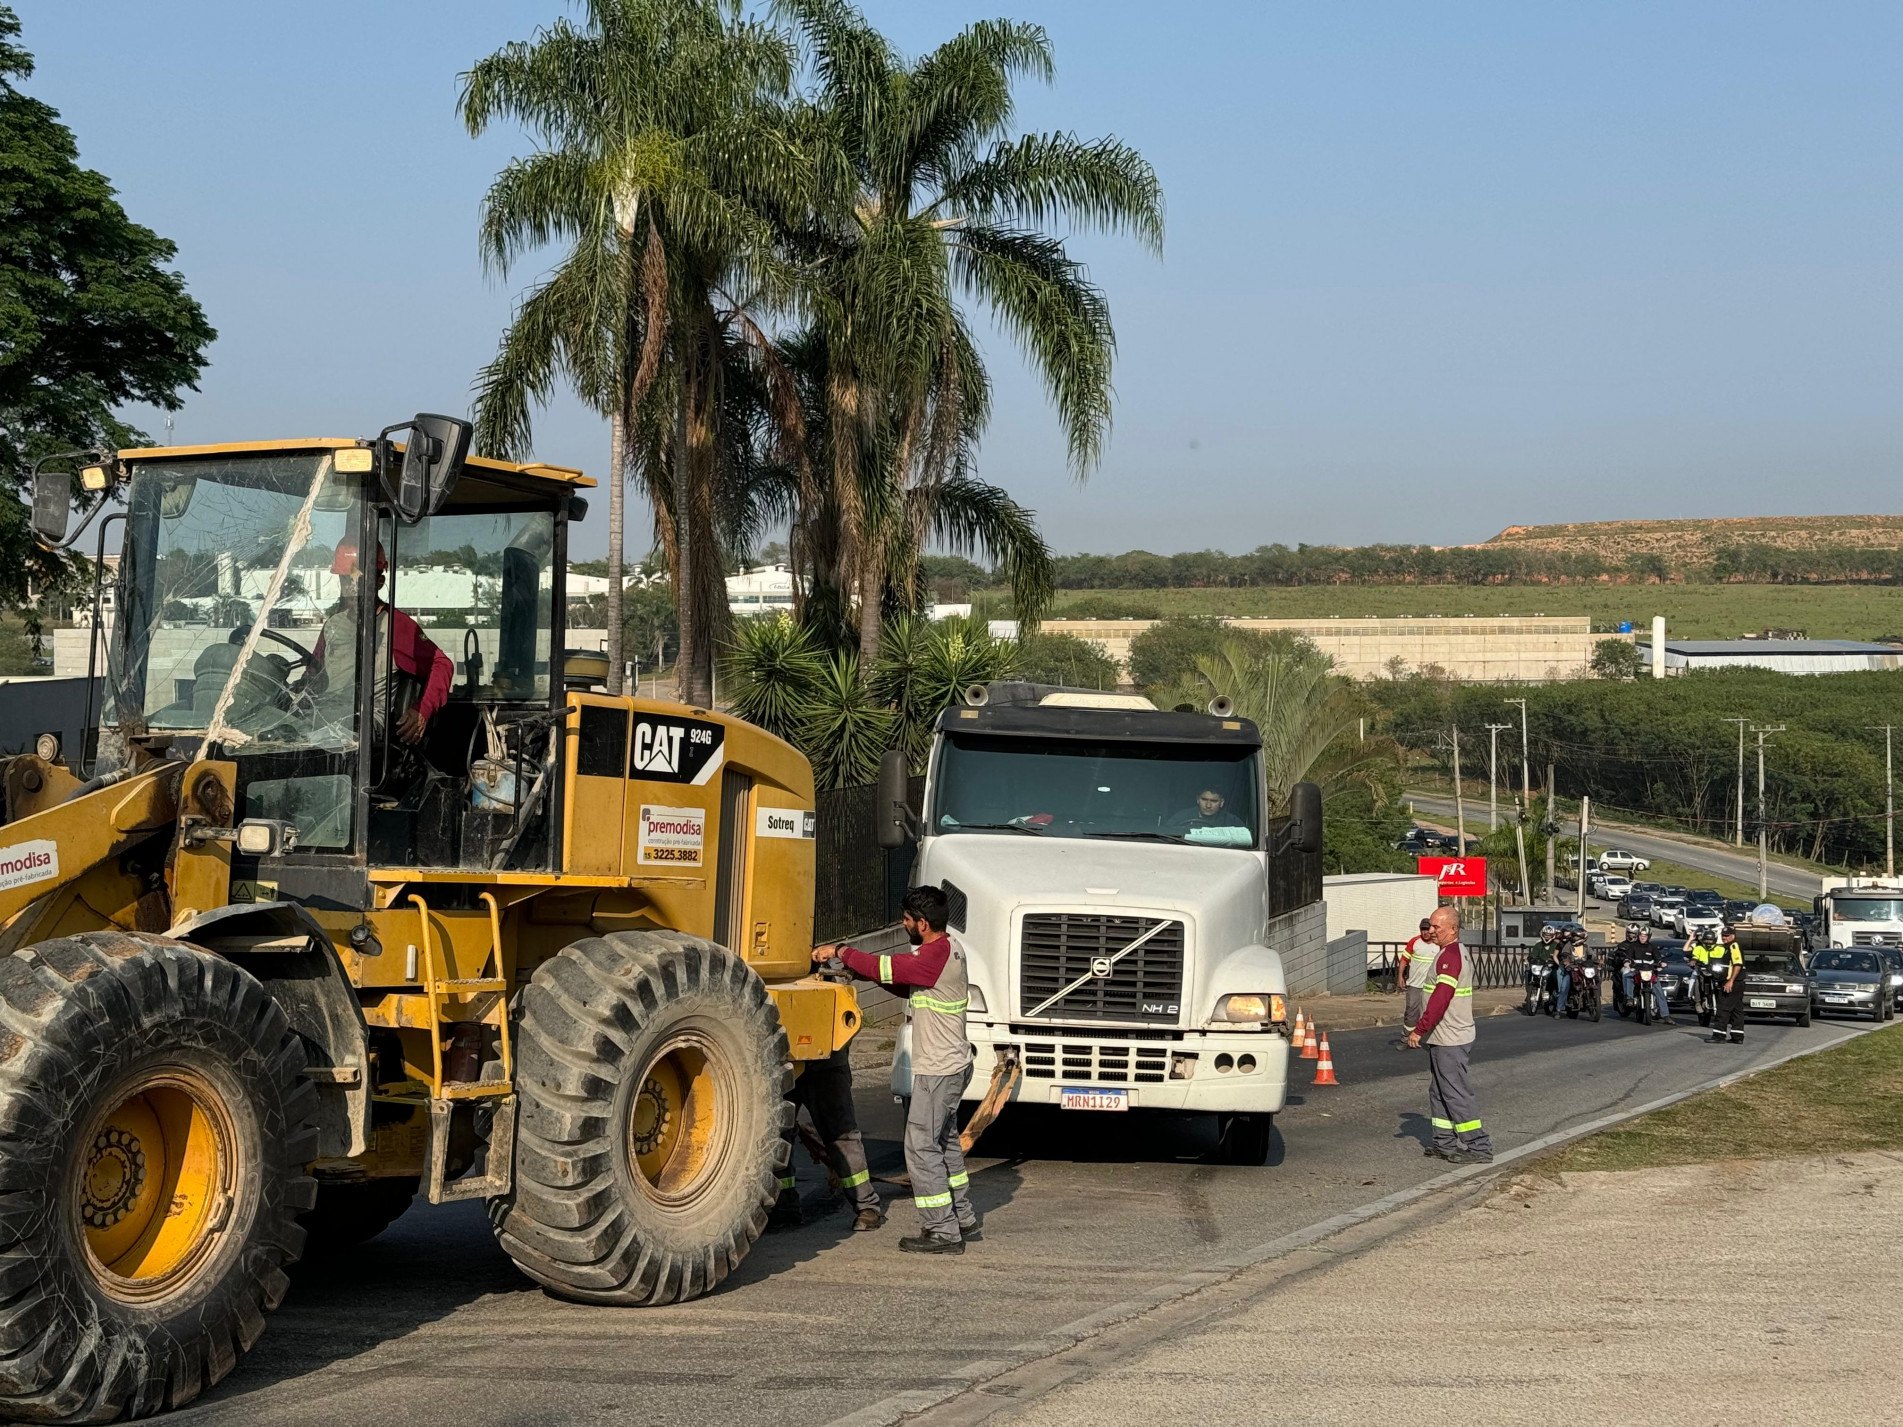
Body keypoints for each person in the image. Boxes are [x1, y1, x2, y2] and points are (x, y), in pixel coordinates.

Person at [816, 885, 979, 1254]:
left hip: (938, 1069)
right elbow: (910, 987)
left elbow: (885, 966)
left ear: (922, 923)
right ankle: (963, 1218)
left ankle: (942, 1230)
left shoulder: (932, 955)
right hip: (952, 1065)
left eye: (906, 920)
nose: (903, 925)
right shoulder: (948, 949)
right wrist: (866, 976)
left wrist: (842, 953)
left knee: (921, 1146)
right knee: (945, 1143)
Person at [309, 536, 453, 745]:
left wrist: (422, 709)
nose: (350, 587)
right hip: (326, 710)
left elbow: (442, 664)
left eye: (357, 579)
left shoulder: (396, 625)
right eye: (344, 579)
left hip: (366, 721)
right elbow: (313, 670)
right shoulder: (333, 624)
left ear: (379, 581)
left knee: (322, 735)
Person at [767, 1042, 885, 1235]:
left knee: (842, 1136)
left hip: (825, 1063)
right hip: (782, 1060)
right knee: (777, 1139)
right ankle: (784, 1207)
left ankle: (867, 1206)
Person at [1406, 906, 1493, 1164]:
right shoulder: (1450, 952)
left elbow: (1441, 998)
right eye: (1430, 926)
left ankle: (1478, 1147)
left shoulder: (1450, 956)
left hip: (1450, 1038)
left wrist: (1419, 1029)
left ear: (1453, 929)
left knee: (1455, 1092)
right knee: (1439, 1091)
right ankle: (1444, 1142)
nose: (1431, 931)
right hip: (1444, 1037)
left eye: (1437, 927)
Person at [1706, 926, 1746, 1045]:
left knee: (1723, 1008)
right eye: (1723, 936)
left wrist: (1730, 981)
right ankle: (1737, 1036)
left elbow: (1737, 964)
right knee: (1736, 1010)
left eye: (1727, 935)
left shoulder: (1734, 946)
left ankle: (1719, 1035)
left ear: (1733, 936)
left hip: (1732, 983)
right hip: (1737, 983)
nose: (1725, 938)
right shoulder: (1727, 947)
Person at [1396, 918, 1435, 1034]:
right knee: (1411, 1011)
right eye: (1422, 929)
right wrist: (1400, 977)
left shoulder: (1438, 943)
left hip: (1432, 986)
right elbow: (1404, 959)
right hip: (1414, 984)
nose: (1425, 932)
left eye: (1427, 929)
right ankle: (1406, 1038)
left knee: (1431, 1012)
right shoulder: (1414, 942)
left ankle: (1430, 1039)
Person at [1168, 788, 1244, 835]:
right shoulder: (1181, 817)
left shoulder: (1232, 822)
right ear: (1198, 800)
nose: (1208, 805)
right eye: (1204, 800)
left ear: (1222, 803)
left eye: (1214, 801)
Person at [1524, 926, 1559, 1015]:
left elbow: (1559, 956)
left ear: (1553, 935)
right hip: (1540, 967)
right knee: (1528, 972)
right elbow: (1533, 954)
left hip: (1551, 967)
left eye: (1549, 935)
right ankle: (1529, 993)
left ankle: (1556, 994)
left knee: (1556, 975)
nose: (1547, 937)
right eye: (1545, 935)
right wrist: (1530, 958)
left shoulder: (1556, 945)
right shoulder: (1538, 945)